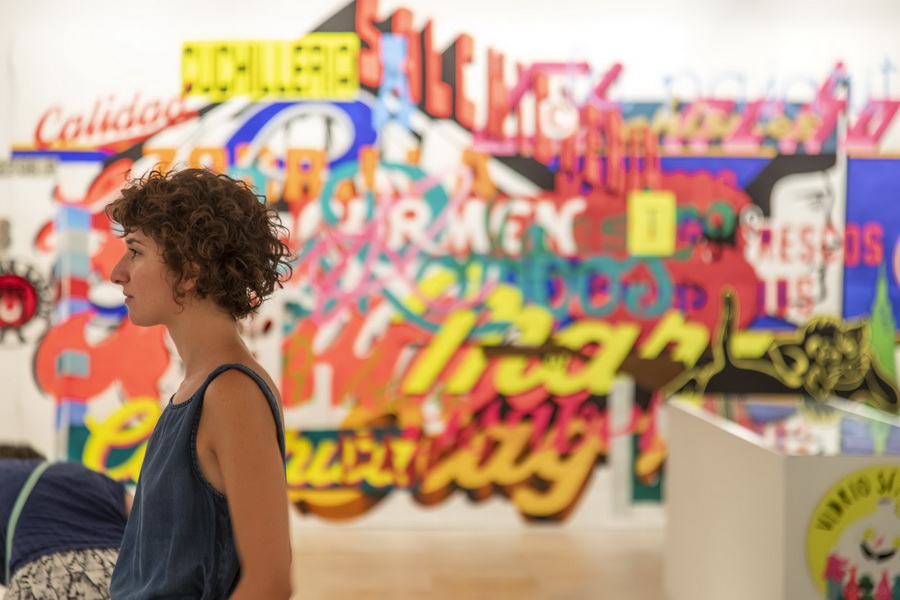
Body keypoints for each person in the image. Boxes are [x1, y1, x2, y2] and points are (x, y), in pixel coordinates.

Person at [106, 167, 294, 599]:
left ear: (190, 272)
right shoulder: (200, 385)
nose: (117, 273)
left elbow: (269, 582)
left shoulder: (232, 394)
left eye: (134, 252)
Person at [0, 443, 129, 599]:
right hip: (121, 575)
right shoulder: (82, 473)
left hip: (45, 580)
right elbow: (143, 515)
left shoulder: (4, 473)